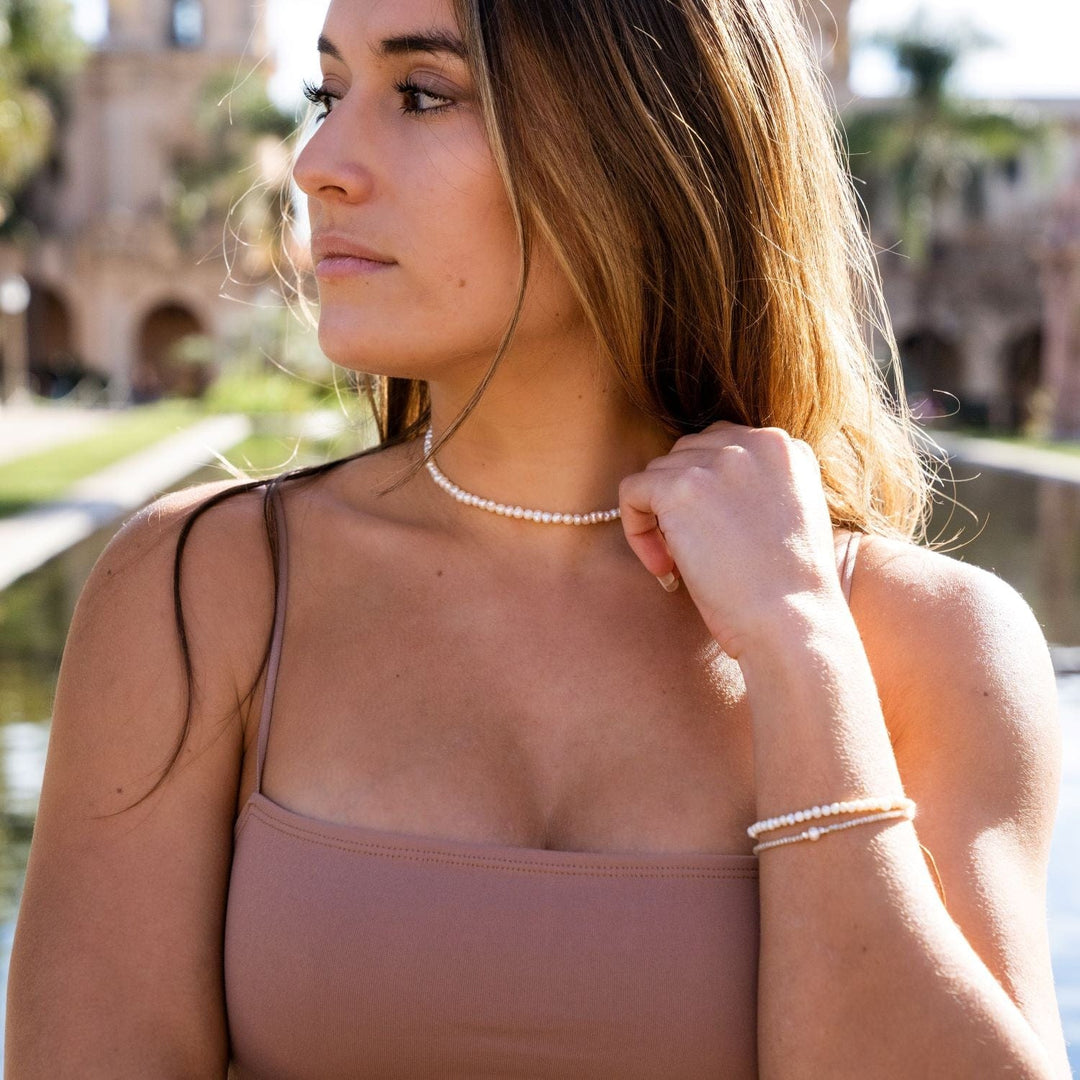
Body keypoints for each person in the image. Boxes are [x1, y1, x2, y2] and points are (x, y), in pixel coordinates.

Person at [5, 0, 1071, 1075]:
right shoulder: (202, 597)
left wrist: (799, 655)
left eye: (422, 95)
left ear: (643, 139)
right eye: (328, 96)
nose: (318, 163)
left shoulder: (931, 644)